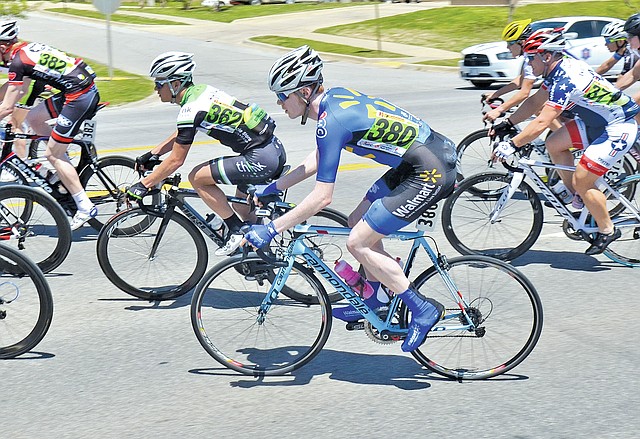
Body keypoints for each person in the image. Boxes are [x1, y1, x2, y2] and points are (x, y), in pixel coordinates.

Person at [243, 45, 457, 353]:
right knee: (357, 221)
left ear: (303, 92)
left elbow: (322, 198)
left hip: (428, 171)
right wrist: (274, 187)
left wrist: (273, 228)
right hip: (417, 162)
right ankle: (377, 297)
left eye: (282, 95)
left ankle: (423, 309)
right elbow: (319, 158)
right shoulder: (334, 102)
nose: (279, 103)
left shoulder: (332, 122)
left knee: (357, 242)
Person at [491, 29, 639, 255]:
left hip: (618, 126)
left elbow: (542, 122)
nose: (528, 63)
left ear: (546, 56)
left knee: (583, 180)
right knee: (554, 145)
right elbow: (535, 102)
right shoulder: (557, 70)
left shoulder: (565, 79)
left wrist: (512, 144)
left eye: (531, 57)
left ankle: (607, 229)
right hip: (597, 122)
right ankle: (579, 197)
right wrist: (508, 122)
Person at [126, 52, 286, 256]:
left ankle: (234, 231)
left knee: (197, 177)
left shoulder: (191, 108)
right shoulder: (202, 92)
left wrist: (143, 184)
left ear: (175, 84)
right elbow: (184, 131)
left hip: (260, 159)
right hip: (272, 151)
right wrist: (154, 153)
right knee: (245, 209)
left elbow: (176, 160)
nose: (156, 89)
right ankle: (261, 258)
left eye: (159, 84)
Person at [0, 19, 100, 230]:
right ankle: (59, 169)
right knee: (34, 118)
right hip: (75, 90)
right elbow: (14, 87)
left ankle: (84, 206)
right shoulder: (23, 53)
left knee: (52, 154)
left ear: (2, 47)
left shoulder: (18, 61)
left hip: (80, 95)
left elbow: (8, 106)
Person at [482, 19, 537, 122]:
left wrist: (499, 110)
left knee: (538, 106)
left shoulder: (532, 58)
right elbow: (521, 80)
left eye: (510, 43)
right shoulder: (528, 56)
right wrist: (496, 94)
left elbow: (524, 93)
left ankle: (567, 137)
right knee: (536, 106)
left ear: (522, 42)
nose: (507, 47)